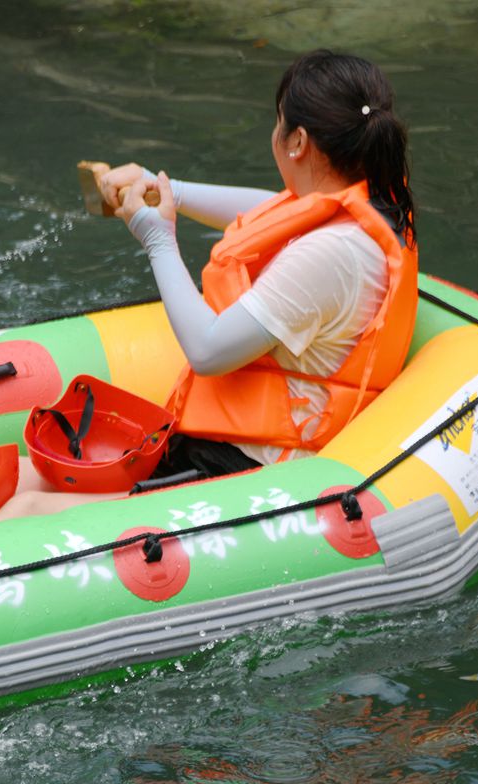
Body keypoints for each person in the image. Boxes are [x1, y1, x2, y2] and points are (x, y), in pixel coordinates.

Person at [98, 49, 419, 474]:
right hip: (239, 447)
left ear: (297, 141)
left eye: (278, 121)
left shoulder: (331, 256)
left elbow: (208, 351)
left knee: (30, 501)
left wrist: (158, 240)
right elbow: (270, 210)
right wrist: (168, 190)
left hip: (250, 465)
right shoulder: (367, 208)